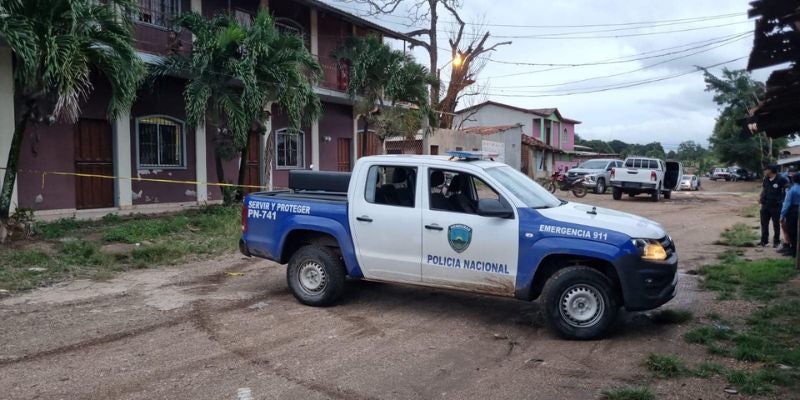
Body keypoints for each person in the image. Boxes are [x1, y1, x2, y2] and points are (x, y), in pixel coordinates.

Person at [760, 165, 790, 247]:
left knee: (776, 224)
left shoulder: (781, 179)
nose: (764, 171)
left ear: (771, 170)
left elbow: (788, 190)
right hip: (765, 204)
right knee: (764, 223)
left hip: (776, 205)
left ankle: (776, 242)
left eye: (766, 169)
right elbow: (763, 189)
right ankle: (764, 241)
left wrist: (782, 200)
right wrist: (760, 197)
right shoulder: (766, 179)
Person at [780, 173, 800, 256]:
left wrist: (782, 215)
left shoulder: (792, 190)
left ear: (793, 180)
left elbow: (787, 204)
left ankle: (793, 250)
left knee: (792, 231)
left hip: (793, 211)